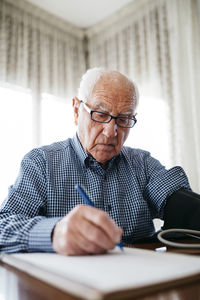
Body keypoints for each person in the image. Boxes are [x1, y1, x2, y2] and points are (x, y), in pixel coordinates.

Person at [0, 68, 199, 256]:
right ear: (77, 111)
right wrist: (53, 233)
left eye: (123, 119)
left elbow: (181, 203)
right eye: (101, 115)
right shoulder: (41, 163)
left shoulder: (143, 164)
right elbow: (3, 227)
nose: (111, 132)